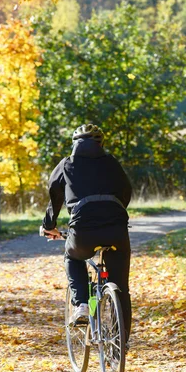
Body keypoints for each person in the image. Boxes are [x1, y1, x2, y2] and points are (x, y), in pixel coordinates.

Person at [42, 123, 132, 342]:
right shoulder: (112, 163)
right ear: (100, 144)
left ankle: (82, 303)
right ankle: (121, 343)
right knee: (121, 289)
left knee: (72, 256)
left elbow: (55, 195)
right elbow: (126, 191)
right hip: (116, 230)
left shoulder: (67, 164)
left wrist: (49, 225)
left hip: (83, 231)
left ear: (74, 144)